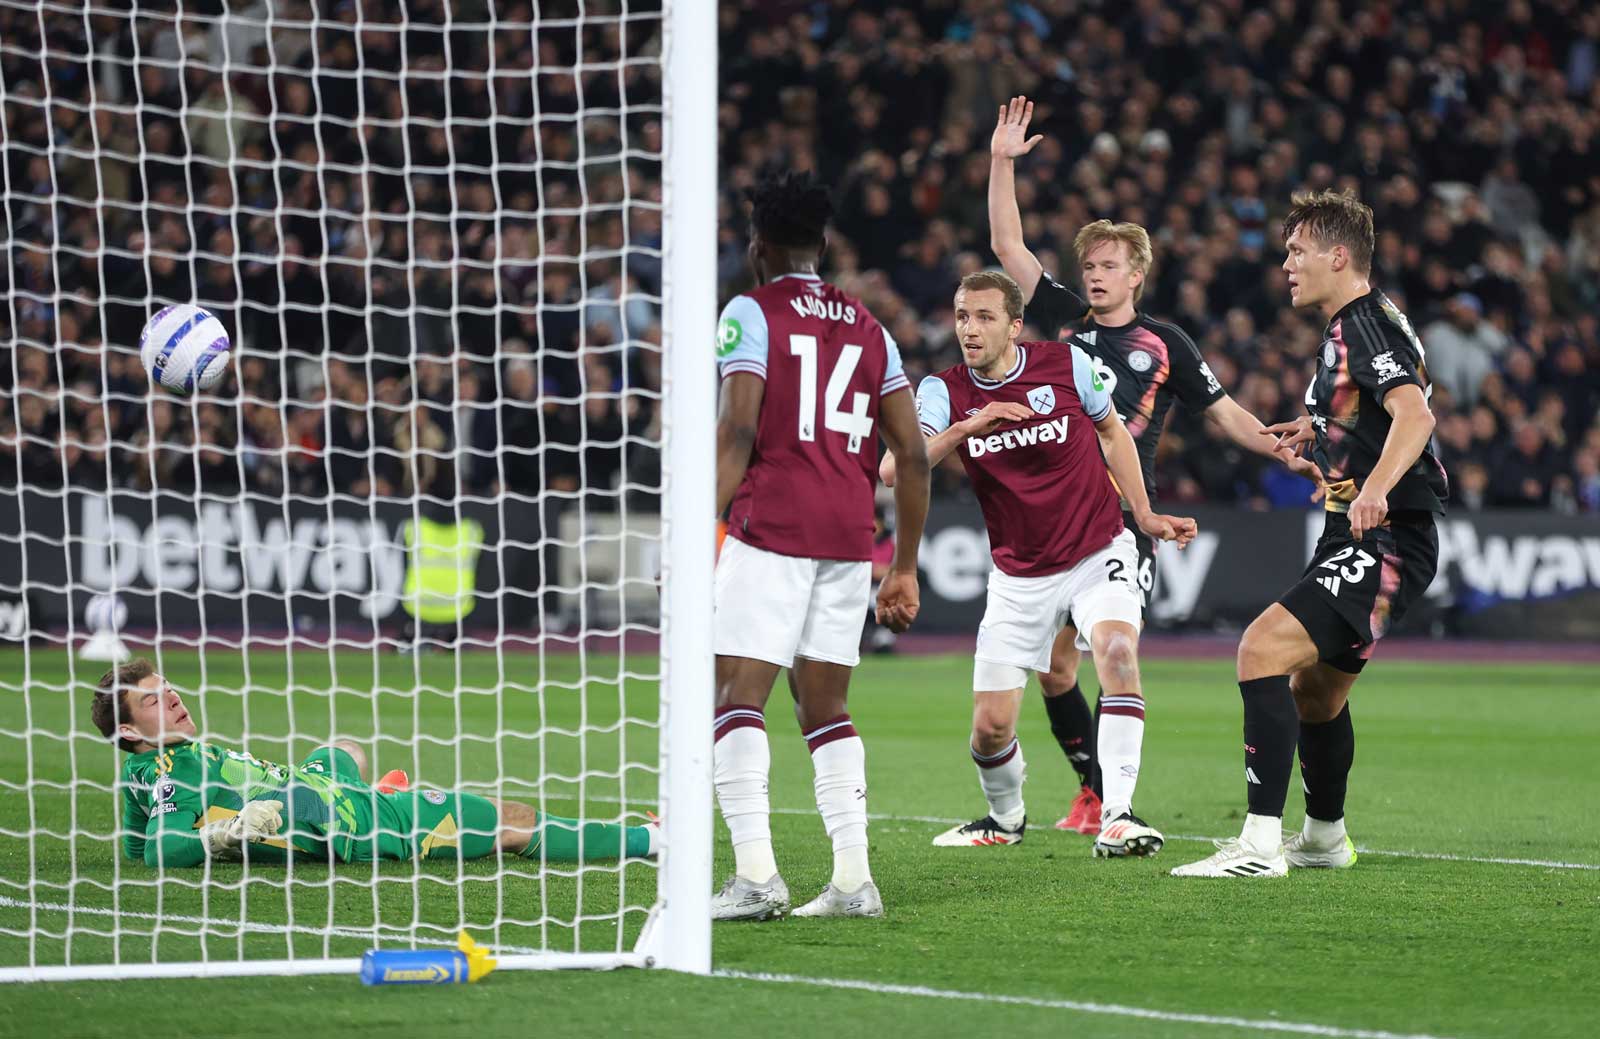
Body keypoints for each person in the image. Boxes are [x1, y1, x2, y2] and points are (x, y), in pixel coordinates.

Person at [987, 96, 1320, 835]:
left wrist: (1285, 452)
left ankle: (1118, 803)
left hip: (1119, 523)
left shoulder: (1166, 343)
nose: (1096, 275)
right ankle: (1093, 787)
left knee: (1114, 650)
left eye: (1108, 265)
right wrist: (1002, 163)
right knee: (1054, 673)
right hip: (1054, 521)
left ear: (1136, 272)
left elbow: (1227, 412)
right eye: (1090, 266)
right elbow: (1010, 249)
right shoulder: (1067, 324)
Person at [1172, 189, 1447, 878]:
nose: (1287, 263)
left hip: (1383, 538)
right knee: (1316, 693)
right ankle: (1324, 836)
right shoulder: (1355, 325)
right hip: (1358, 532)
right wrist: (1320, 431)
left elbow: (1414, 417)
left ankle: (1260, 844)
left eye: (1298, 250)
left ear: (1339, 255)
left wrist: (1377, 488)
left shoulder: (1363, 324)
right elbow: (1376, 416)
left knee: (1260, 648)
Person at [883, 269, 1195, 857]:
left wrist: (1146, 514)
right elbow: (896, 468)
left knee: (1119, 652)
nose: (969, 329)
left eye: (984, 317)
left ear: (1015, 326)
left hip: (1097, 549)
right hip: (1018, 576)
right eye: (961, 316)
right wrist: (970, 426)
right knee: (990, 729)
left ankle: (1118, 814)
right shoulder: (941, 391)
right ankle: (1005, 818)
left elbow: (1113, 435)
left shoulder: (1066, 365)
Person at [711, 171, 931, 920]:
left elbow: (739, 427)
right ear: (825, 242)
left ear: (758, 247)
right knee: (825, 705)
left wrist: (697, 533)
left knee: (737, 693)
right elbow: (915, 451)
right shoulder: (870, 327)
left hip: (771, 526)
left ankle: (755, 877)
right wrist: (901, 564)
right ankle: (850, 880)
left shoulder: (750, 310)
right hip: (847, 537)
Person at [95, 659, 657, 868]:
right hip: (343, 820)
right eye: (152, 700)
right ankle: (650, 841)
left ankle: (376, 786)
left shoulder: (146, 768)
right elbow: (163, 852)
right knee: (511, 820)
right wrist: (228, 834)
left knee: (345, 748)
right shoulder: (173, 769)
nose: (171, 698)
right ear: (128, 730)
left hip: (309, 788)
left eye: (166, 688)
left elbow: (136, 846)